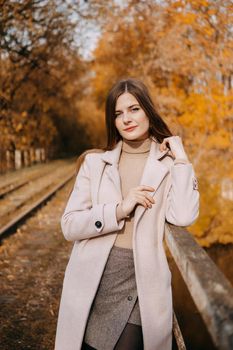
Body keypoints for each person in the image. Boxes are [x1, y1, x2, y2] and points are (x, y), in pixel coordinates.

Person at [55, 78, 200, 350]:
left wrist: (182, 159)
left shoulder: (168, 165)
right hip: (95, 281)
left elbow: (183, 216)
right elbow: (69, 225)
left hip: (141, 283)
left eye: (134, 109)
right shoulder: (95, 163)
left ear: (147, 110)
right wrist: (119, 210)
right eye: (118, 114)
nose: (126, 119)